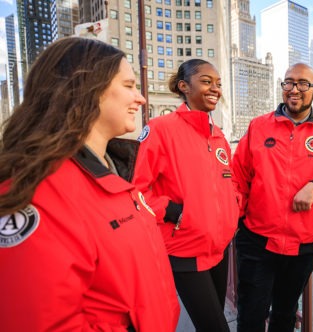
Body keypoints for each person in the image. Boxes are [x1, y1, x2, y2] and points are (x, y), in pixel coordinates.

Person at [0, 37, 179, 331]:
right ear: (88, 89)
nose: (141, 98)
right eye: (129, 85)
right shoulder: (36, 195)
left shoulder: (111, 175)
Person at [232, 63, 313, 332]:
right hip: (257, 240)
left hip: (302, 244)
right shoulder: (259, 127)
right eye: (289, 83)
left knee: (285, 314)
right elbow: (238, 178)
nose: (295, 89)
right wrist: (233, 220)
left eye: (303, 84)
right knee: (250, 315)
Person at [133, 59, 238, 332]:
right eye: (206, 81)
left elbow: (228, 184)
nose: (215, 88)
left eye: (218, 83)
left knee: (213, 324)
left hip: (219, 248)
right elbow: (136, 190)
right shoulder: (160, 129)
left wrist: (233, 209)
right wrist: (174, 213)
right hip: (185, 249)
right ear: (184, 86)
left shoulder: (219, 137)